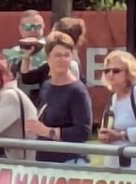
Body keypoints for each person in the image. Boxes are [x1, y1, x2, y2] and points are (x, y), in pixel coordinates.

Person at [23, 32, 92, 164]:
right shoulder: (46, 86)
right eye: (58, 55)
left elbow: (83, 132)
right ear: (48, 58)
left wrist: (47, 131)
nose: (63, 60)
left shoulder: (77, 91)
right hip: (44, 160)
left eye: (67, 55)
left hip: (70, 161)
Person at [98, 50, 136, 171]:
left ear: (128, 73)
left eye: (116, 71)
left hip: (135, 164)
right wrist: (105, 135)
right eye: (107, 71)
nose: (110, 74)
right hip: (112, 163)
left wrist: (121, 135)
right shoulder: (113, 97)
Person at [5, 9, 47, 100]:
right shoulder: (12, 54)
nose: (32, 30)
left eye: (37, 27)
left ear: (43, 27)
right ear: (20, 28)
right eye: (28, 27)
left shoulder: (52, 50)